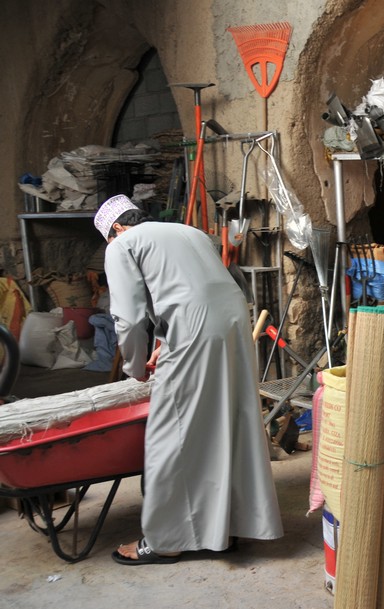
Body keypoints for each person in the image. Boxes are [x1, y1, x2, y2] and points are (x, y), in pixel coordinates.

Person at [95, 194, 283, 564]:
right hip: (231, 325)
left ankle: (166, 539)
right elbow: (189, 288)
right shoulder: (187, 232)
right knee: (225, 424)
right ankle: (227, 528)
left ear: (116, 228)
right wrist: (164, 343)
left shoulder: (121, 246)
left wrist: (134, 365)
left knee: (171, 434)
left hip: (196, 328)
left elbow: (129, 318)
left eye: (109, 238)